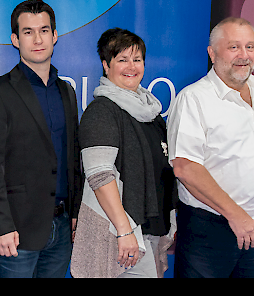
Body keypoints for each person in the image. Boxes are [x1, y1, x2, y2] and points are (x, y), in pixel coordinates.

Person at [167, 17, 254, 278]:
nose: (244, 55)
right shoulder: (194, 100)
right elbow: (185, 167)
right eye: (234, 47)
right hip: (208, 233)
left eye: (249, 47)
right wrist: (236, 215)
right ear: (212, 53)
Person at [0, 0, 83, 278]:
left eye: (44, 30)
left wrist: (74, 213)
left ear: (55, 35)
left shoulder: (67, 92)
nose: (37, 39)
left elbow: (72, 158)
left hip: (60, 228)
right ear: (15, 39)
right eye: (28, 32)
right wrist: (0, 226)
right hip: (15, 232)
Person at [70, 28, 177, 278]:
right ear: (106, 65)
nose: (131, 66)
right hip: (118, 235)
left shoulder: (151, 113)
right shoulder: (102, 112)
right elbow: (100, 176)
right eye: (122, 59)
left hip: (148, 229)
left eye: (137, 59)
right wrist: (124, 230)